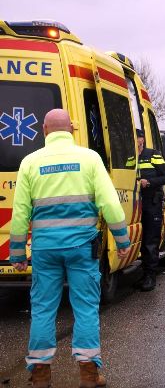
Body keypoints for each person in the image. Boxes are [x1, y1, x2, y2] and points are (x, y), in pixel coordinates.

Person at [9, 109, 130, 388]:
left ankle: (40, 374)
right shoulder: (89, 159)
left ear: (44, 129)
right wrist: (122, 241)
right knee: (86, 308)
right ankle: (89, 374)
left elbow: (20, 214)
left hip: (44, 250)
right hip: (81, 248)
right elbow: (110, 204)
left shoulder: (30, 162)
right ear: (72, 129)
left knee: (42, 309)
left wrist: (17, 253)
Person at [135, 128, 165, 291]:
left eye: (136, 138)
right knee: (139, 238)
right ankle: (142, 273)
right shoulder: (129, 157)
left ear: (141, 139)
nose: (134, 141)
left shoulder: (153, 154)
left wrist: (148, 182)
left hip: (151, 201)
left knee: (150, 240)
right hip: (134, 202)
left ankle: (150, 276)